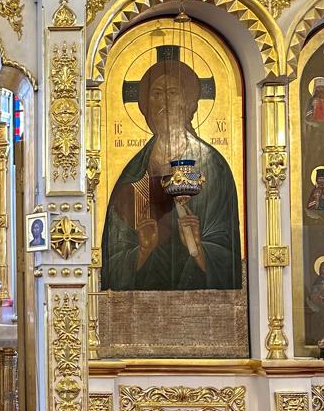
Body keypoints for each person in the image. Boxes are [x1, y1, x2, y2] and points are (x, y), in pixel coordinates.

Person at [101, 46, 242, 292]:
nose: (163, 101)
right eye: (156, 93)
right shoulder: (133, 173)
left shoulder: (214, 166)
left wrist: (198, 248)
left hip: (203, 301)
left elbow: (227, 248)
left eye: (173, 93)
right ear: (145, 105)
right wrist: (142, 251)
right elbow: (115, 252)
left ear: (189, 102)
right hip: (142, 302)